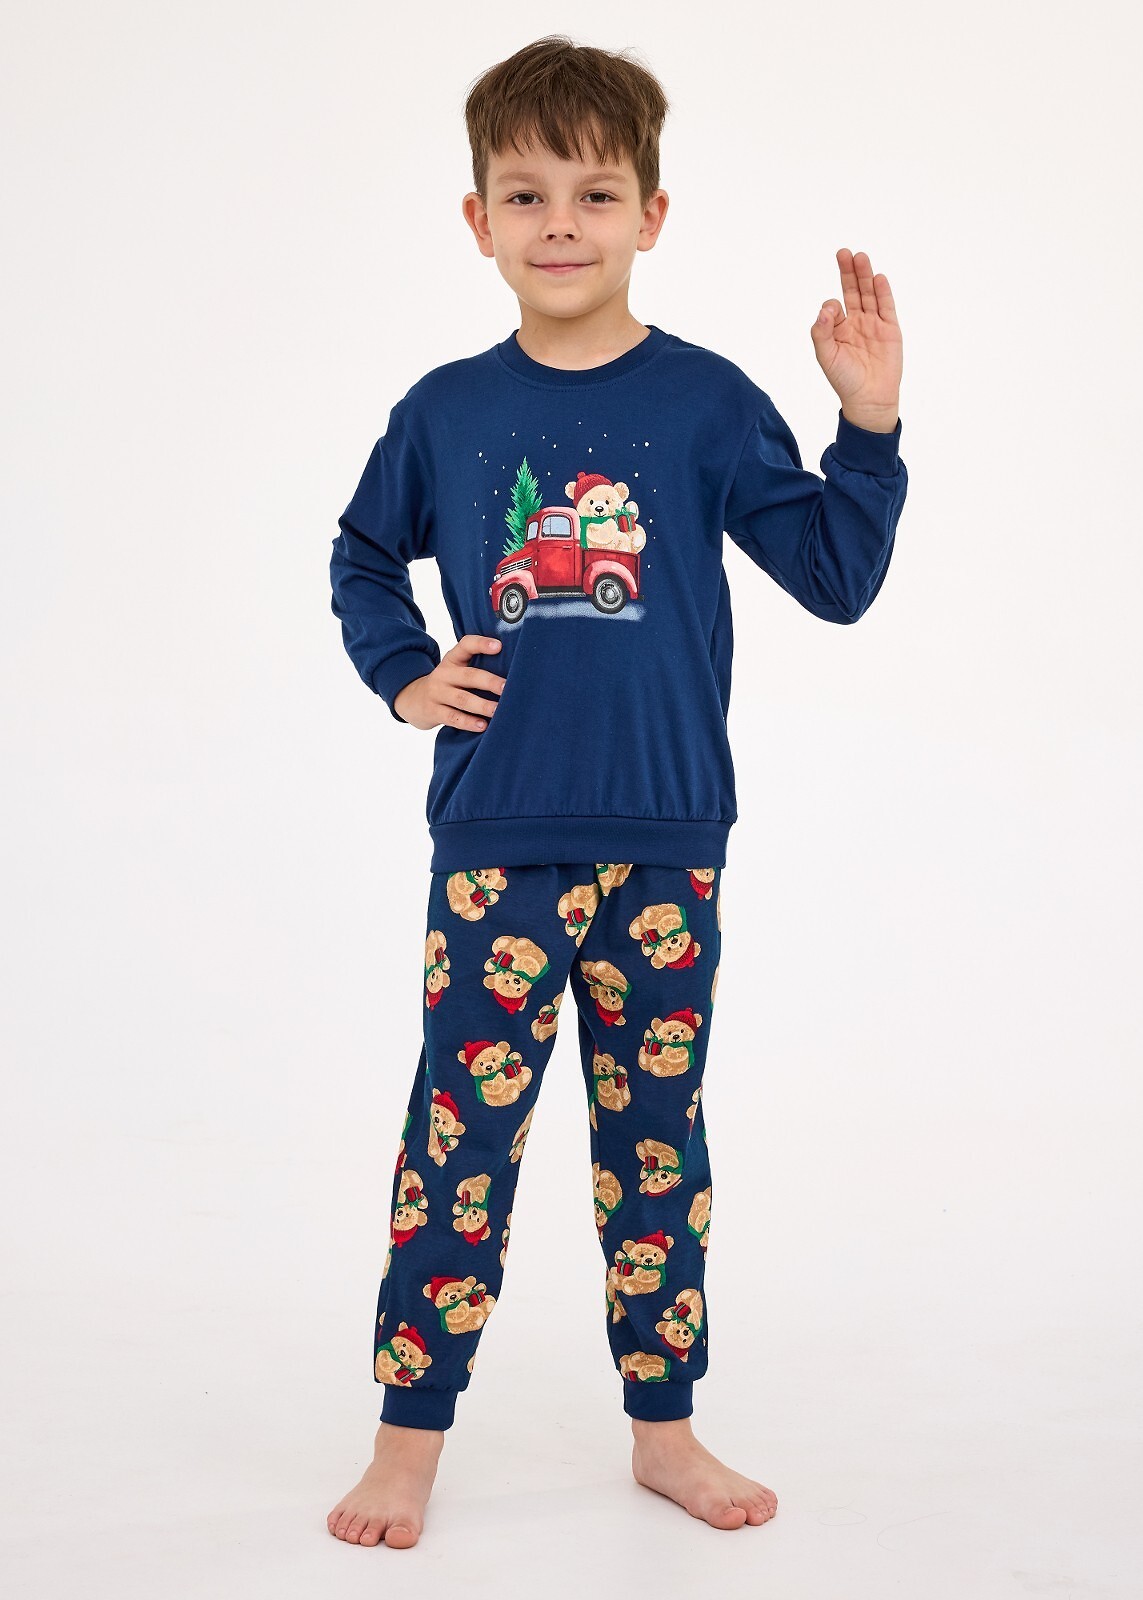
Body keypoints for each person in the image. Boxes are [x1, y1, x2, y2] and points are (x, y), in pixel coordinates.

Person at [325, 34, 907, 1549]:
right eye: (527, 194)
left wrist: (868, 427)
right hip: (496, 841)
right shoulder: (448, 410)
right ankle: (406, 1441)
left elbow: (834, 575)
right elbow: (363, 555)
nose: (562, 223)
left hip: (666, 846)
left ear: (652, 213)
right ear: (480, 221)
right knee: (458, 1145)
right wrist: (405, 674)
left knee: (656, 1149)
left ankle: (665, 1430)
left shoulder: (707, 403)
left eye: (595, 192)